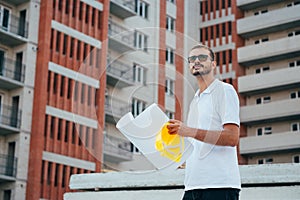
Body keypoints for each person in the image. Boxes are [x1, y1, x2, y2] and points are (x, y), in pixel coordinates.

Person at [167, 44, 241, 200]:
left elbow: (232, 137)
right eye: (192, 59)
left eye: (202, 57)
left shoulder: (224, 90)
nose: (196, 61)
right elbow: (198, 143)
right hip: (192, 186)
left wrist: (188, 131)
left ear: (213, 64)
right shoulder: (196, 99)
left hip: (219, 187)